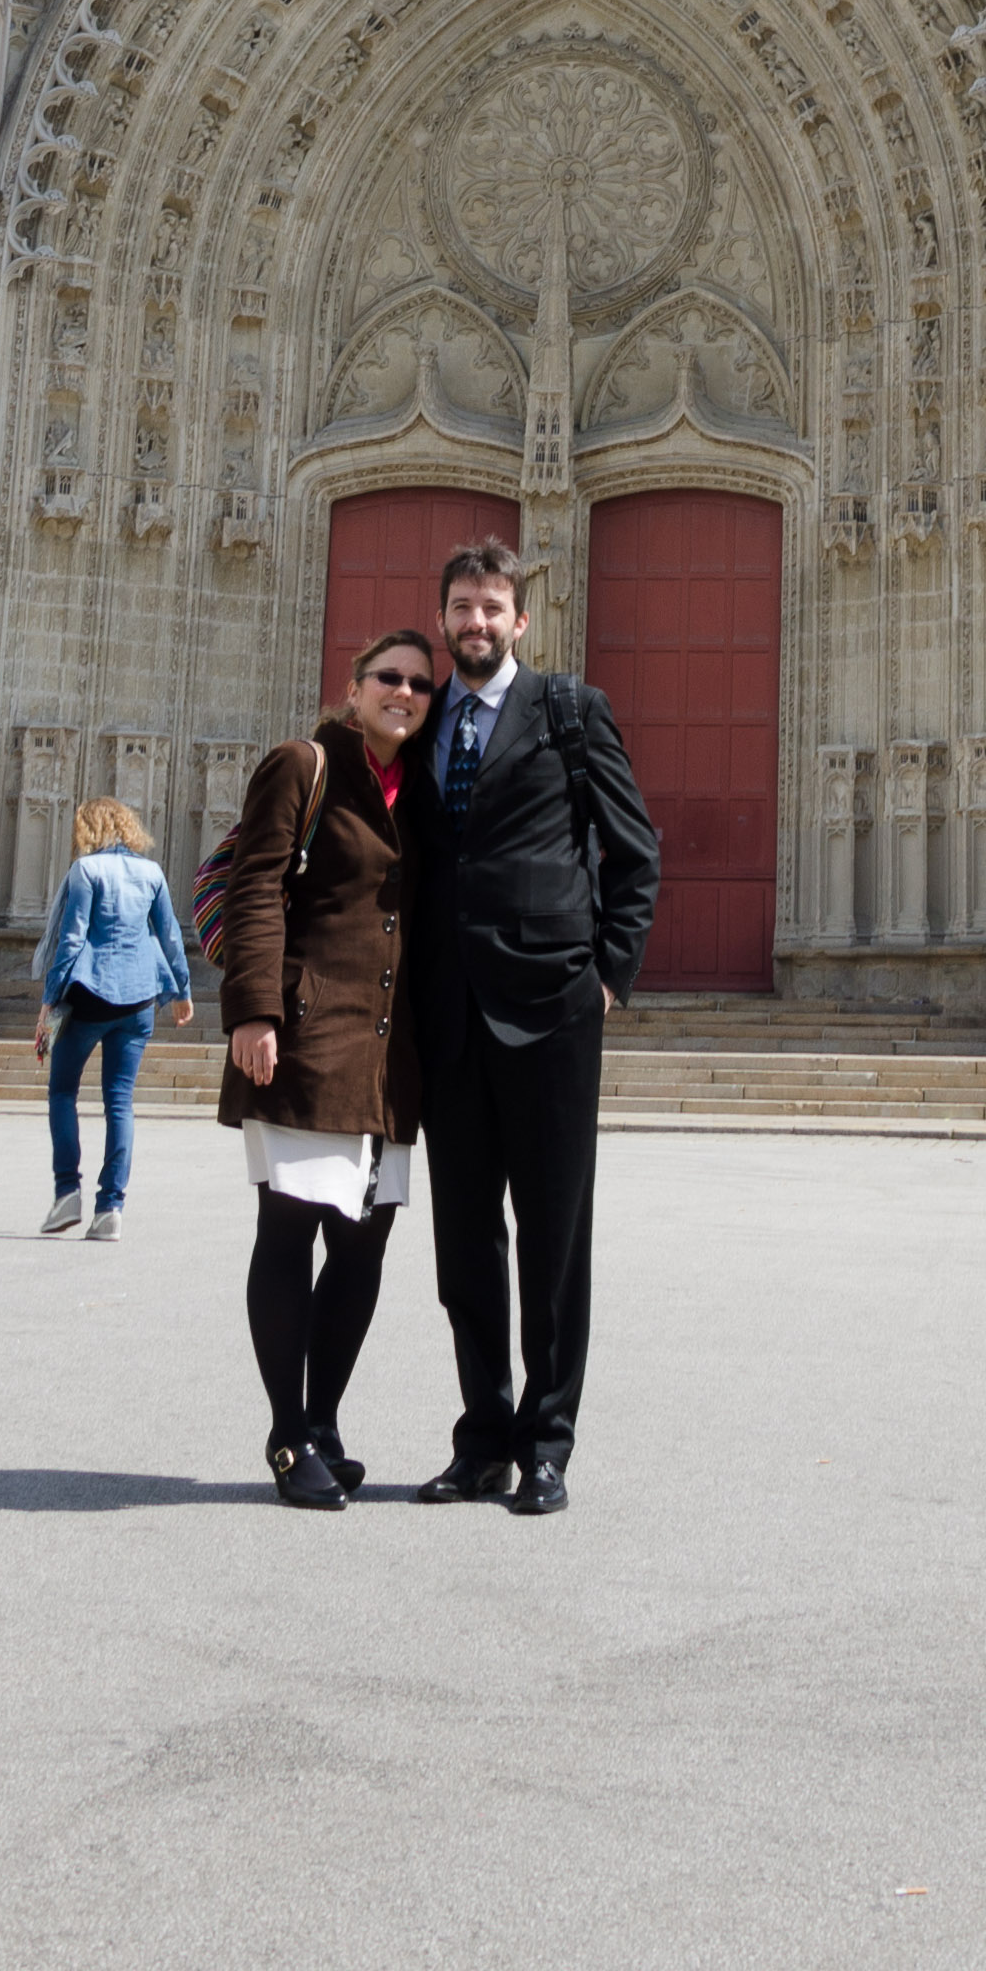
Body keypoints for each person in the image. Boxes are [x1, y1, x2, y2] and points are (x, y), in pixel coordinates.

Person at [407, 538, 660, 1517]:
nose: (476, 621)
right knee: (465, 1243)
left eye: (492, 606)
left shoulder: (569, 709)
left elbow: (634, 848)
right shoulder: (419, 720)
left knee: (553, 1239)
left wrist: (607, 978)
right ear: (444, 618)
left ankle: (547, 1444)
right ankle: (482, 1439)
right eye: (461, 606)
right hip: (450, 1013)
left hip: (552, 1008)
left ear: (520, 619)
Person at [222, 630, 441, 1507]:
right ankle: (286, 1435)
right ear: (353, 688)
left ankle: (323, 1421)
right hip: (307, 1038)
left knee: (362, 1244)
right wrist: (255, 1010)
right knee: (289, 1230)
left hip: (389, 1055)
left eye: (420, 684)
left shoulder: (423, 788)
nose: (404, 692)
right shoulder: (301, 764)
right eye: (388, 677)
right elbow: (253, 886)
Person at [32, 796, 196, 1238]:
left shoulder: (85, 871)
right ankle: (110, 1210)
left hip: (90, 995)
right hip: (140, 999)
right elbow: (170, 935)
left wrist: (48, 1002)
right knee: (120, 1102)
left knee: (62, 1093)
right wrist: (182, 991)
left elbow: (71, 941)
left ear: (88, 829)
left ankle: (67, 1193)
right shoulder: (152, 872)